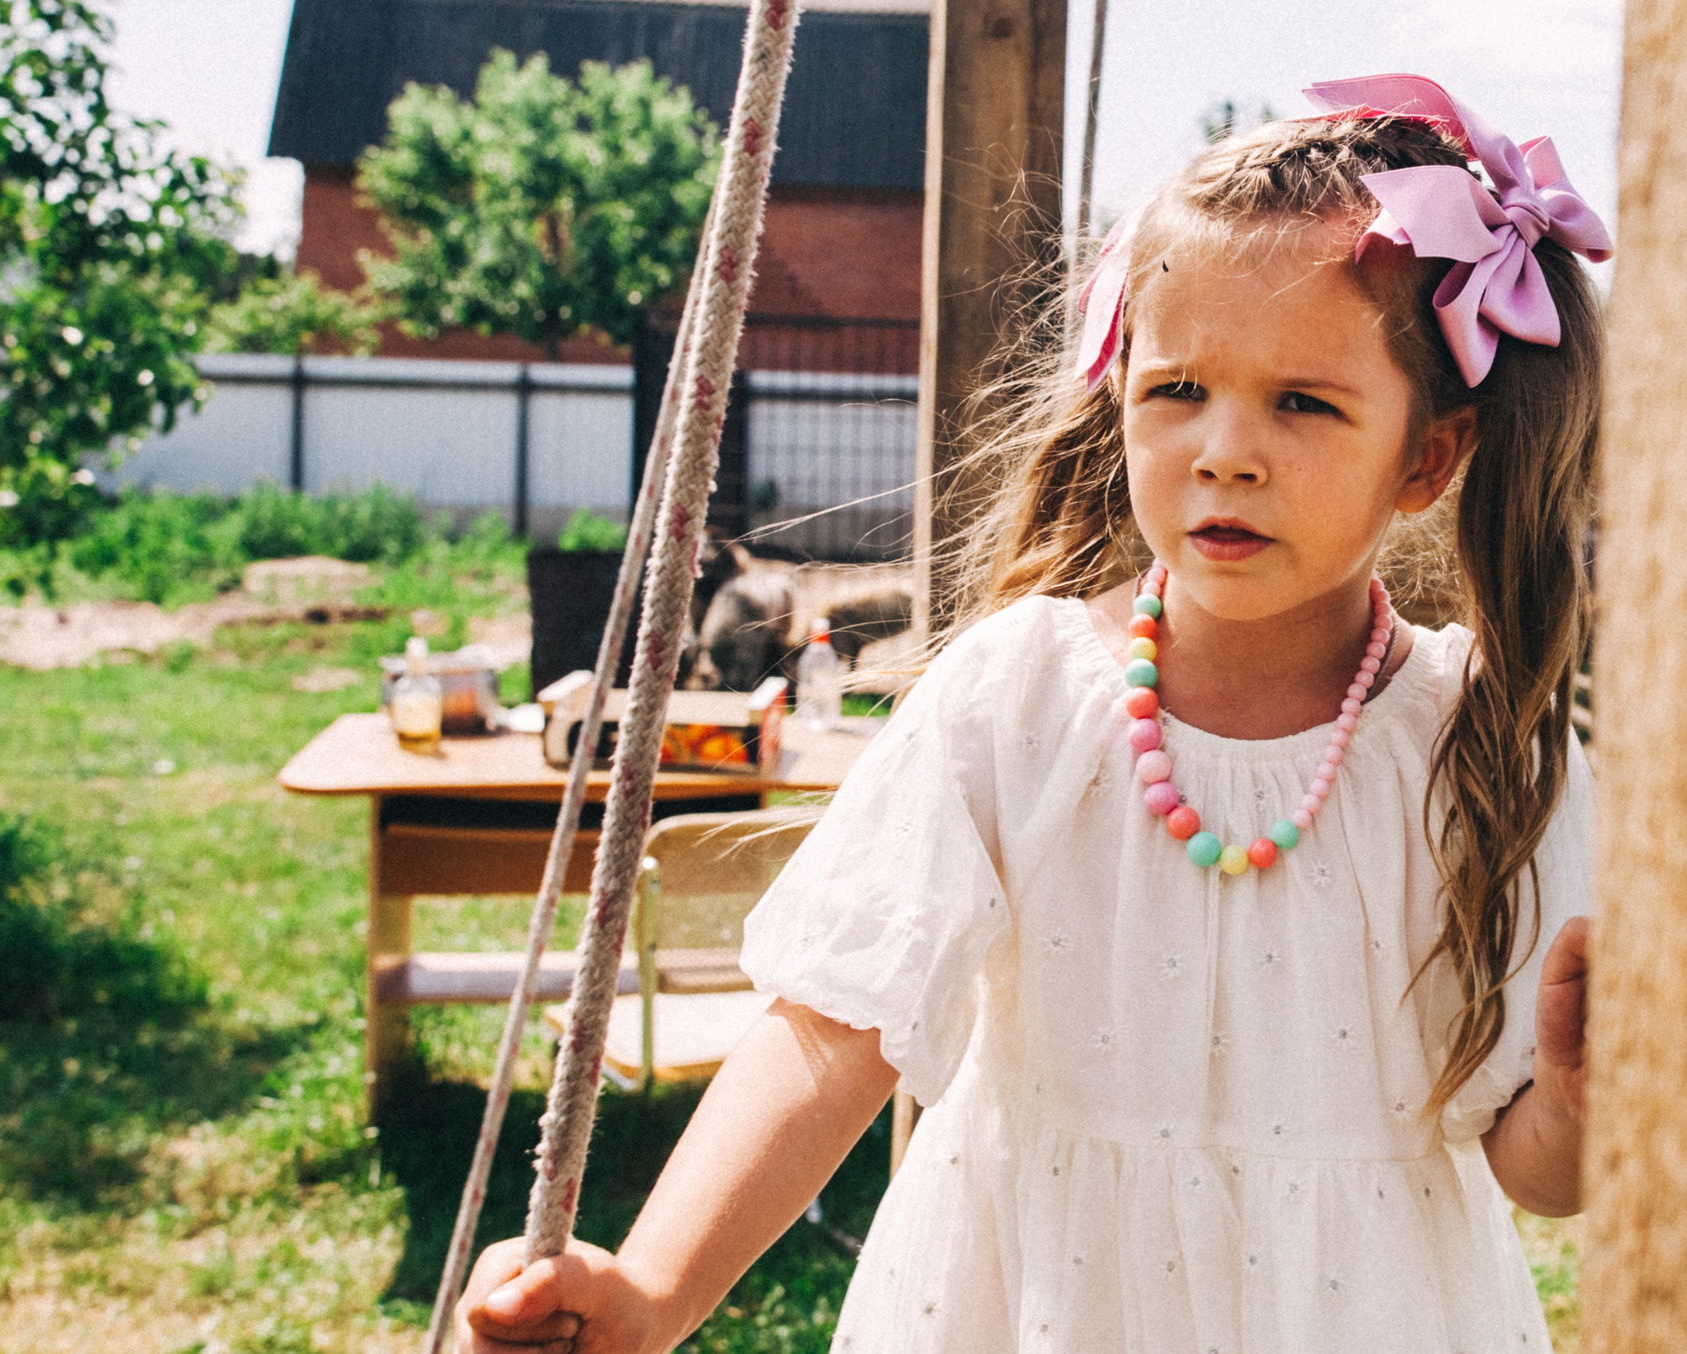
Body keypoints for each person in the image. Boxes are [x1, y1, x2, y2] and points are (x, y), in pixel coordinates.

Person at [460, 74, 1611, 1354]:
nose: (1223, 451)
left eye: (1302, 402)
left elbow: (1531, 1160)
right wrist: (656, 1290)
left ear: (1426, 457)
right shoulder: (1017, 697)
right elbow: (837, 1027)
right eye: (1176, 390)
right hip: (1032, 1308)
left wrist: (1579, 1102)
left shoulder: (1481, 744)